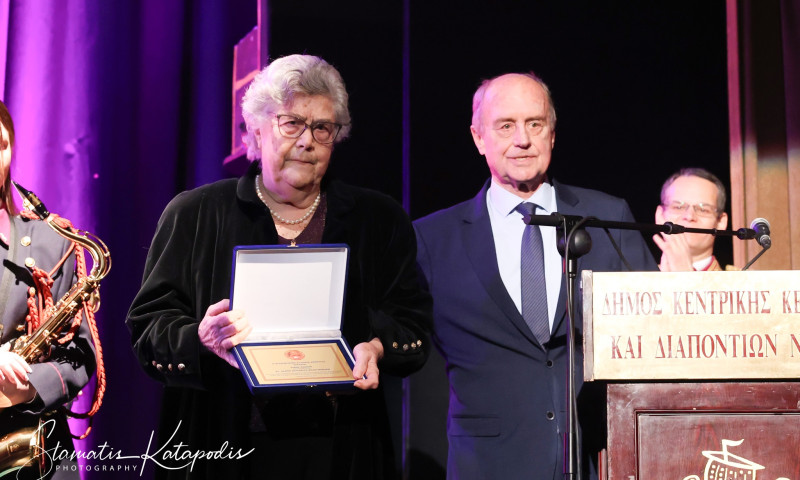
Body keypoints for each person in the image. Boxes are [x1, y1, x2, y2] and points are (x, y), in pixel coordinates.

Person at [126, 54, 432, 479]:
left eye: (322, 128)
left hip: (341, 449)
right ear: (256, 128)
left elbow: (413, 324)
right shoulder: (195, 213)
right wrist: (200, 337)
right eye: (291, 123)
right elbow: (148, 329)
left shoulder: (377, 219)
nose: (307, 141)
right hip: (220, 444)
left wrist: (376, 346)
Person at [413, 73, 656, 479]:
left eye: (535, 124)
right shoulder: (433, 239)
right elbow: (400, 331)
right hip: (489, 464)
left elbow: (653, 329)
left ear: (552, 135)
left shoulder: (608, 218)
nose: (522, 140)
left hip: (597, 457)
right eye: (505, 126)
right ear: (478, 138)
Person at [0, 100, 96, 479]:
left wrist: (28, 387)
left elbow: (81, 355)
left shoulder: (54, 242)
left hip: (40, 450)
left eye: (2, 144)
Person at [654, 168, 734, 271]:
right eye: (678, 207)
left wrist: (685, 276)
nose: (689, 216)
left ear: (721, 222)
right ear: (660, 215)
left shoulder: (745, 280)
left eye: (703, 210)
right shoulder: (636, 278)